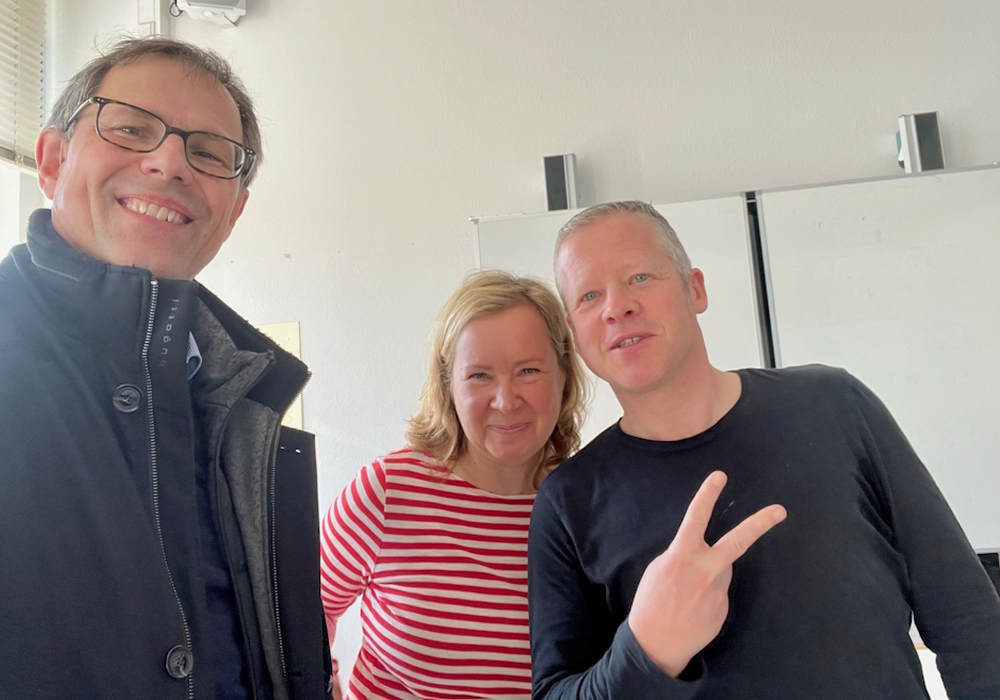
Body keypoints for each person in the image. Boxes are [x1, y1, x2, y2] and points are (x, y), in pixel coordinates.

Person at [529, 200, 1000, 699]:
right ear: (575, 334)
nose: (616, 307)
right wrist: (646, 650)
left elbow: (965, 613)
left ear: (695, 289)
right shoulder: (568, 502)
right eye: (589, 296)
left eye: (640, 277)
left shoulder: (833, 404)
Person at [0, 38, 330, 699]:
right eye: (130, 129)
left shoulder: (246, 399)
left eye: (208, 153)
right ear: (53, 161)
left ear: (233, 212)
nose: (170, 162)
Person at [318, 271, 589, 699]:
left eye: (528, 370)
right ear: (449, 386)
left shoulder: (589, 504)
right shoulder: (386, 492)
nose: (506, 400)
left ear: (563, 375)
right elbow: (300, 616)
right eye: (479, 376)